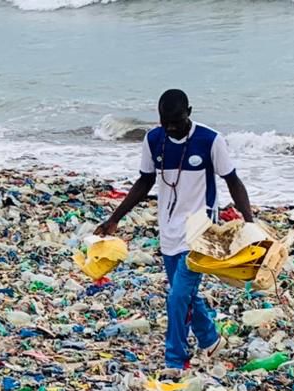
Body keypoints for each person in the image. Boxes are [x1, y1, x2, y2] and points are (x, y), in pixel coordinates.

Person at [98, 89, 254, 374]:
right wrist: (114, 219)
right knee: (183, 294)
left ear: (190, 112)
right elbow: (144, 182)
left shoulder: (210, 140)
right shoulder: (154, 140)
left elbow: (233, 181)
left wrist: (250, 222)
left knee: (177, 297)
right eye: (165, 122)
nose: (171, 128)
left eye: (177, 121)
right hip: (168, 230)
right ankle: (210, 339)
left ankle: (175, 360)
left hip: (200, 230)